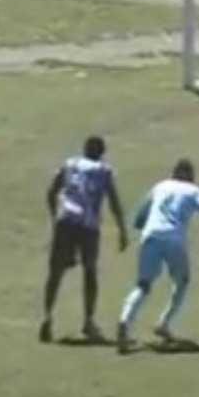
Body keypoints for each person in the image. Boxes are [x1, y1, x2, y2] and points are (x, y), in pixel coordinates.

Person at [116, 158, 199, 354]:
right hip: (174, 239)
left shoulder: (160, 186)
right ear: (190, 175)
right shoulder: (195, 191)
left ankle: (124, 321)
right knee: (182, 281)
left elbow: (138, 220)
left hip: (151, 237)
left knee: (142, 285)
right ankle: (164, 323)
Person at [40, 136, 128, 344]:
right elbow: (113, 201)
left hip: (65, 220)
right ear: (101, 153)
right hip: (88, 225)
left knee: (56, 271)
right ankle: (88, 320)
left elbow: (51, 191)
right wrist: (122, 230)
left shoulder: (70, 164)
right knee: (90, 271)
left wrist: (55, 215)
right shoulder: (103, 171)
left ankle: (47, 317)